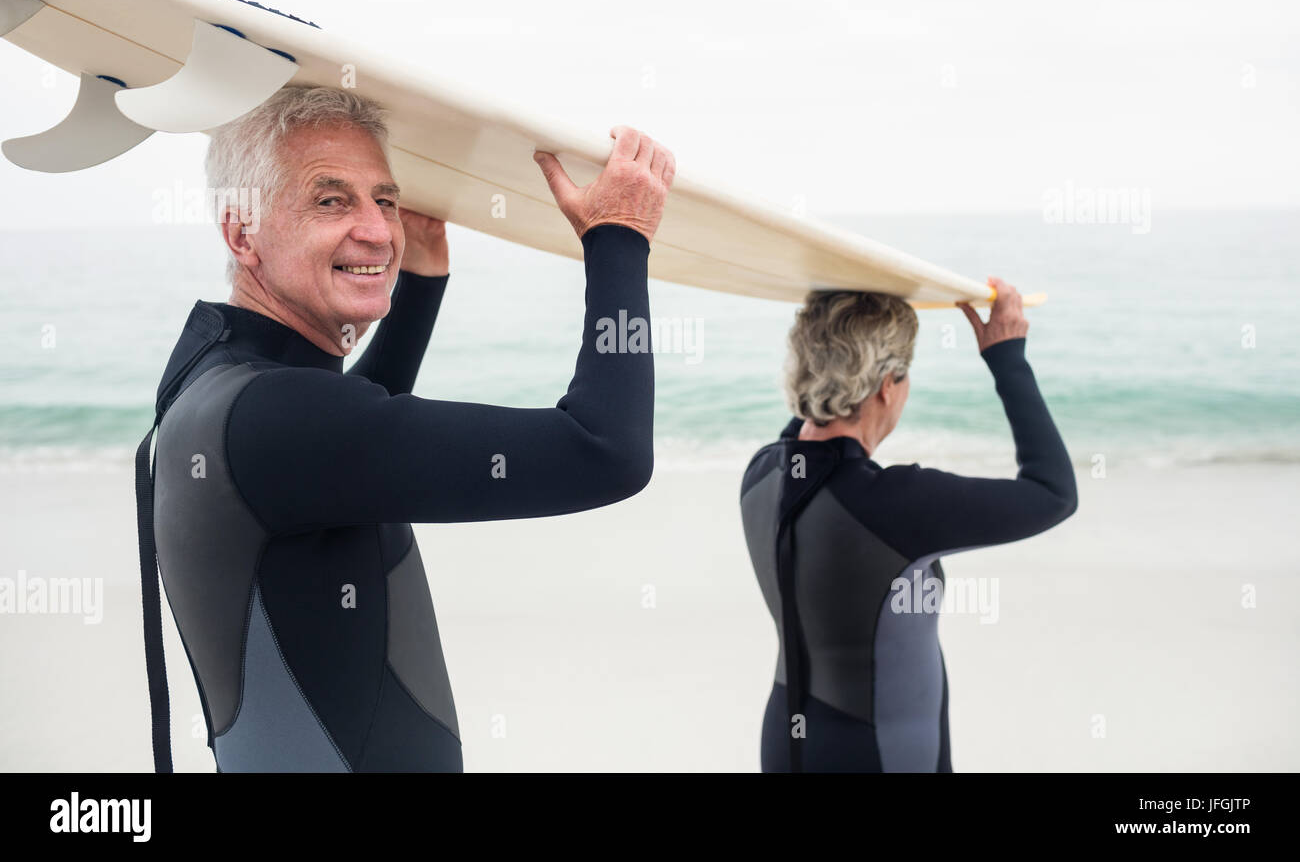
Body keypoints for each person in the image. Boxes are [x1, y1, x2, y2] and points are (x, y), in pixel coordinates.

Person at [136, 86, 675, 771]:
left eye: (383, 200)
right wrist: (619, 239)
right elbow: (606, 452)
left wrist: (419, 278)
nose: (377, 230)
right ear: (242, 232)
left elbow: (348, 432)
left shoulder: (211, 382)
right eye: (331, 200)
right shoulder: (276, 420)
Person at [740, 278, 1077, 772]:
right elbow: (1054, 494)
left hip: (786, 747)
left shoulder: (762, 472)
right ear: (887, 386)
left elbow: (805, 438)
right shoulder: (896, 504)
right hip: (882, 754)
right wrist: (1007, 356)